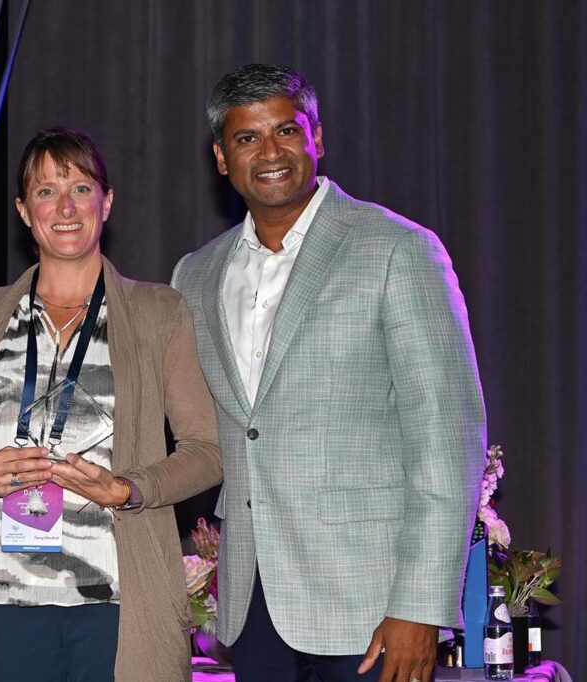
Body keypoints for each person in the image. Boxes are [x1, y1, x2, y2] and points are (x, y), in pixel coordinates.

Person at [171, 64, 486, 682]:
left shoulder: (398, 248)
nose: (269, 152)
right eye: (246, 138)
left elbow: (449, 438)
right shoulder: (196, 275)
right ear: (220, 157)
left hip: (374, 608)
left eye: (286, 130)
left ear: (318, 138)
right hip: (254, 605)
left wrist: (420, 606)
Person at [0, 127, 222, 681]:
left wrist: (128, 488)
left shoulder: (157, 312)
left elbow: (208, 452)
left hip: (116, 601)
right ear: (24, 211)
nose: (64, 207)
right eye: (45, 191)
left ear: (107, 202)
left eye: (81, 188)